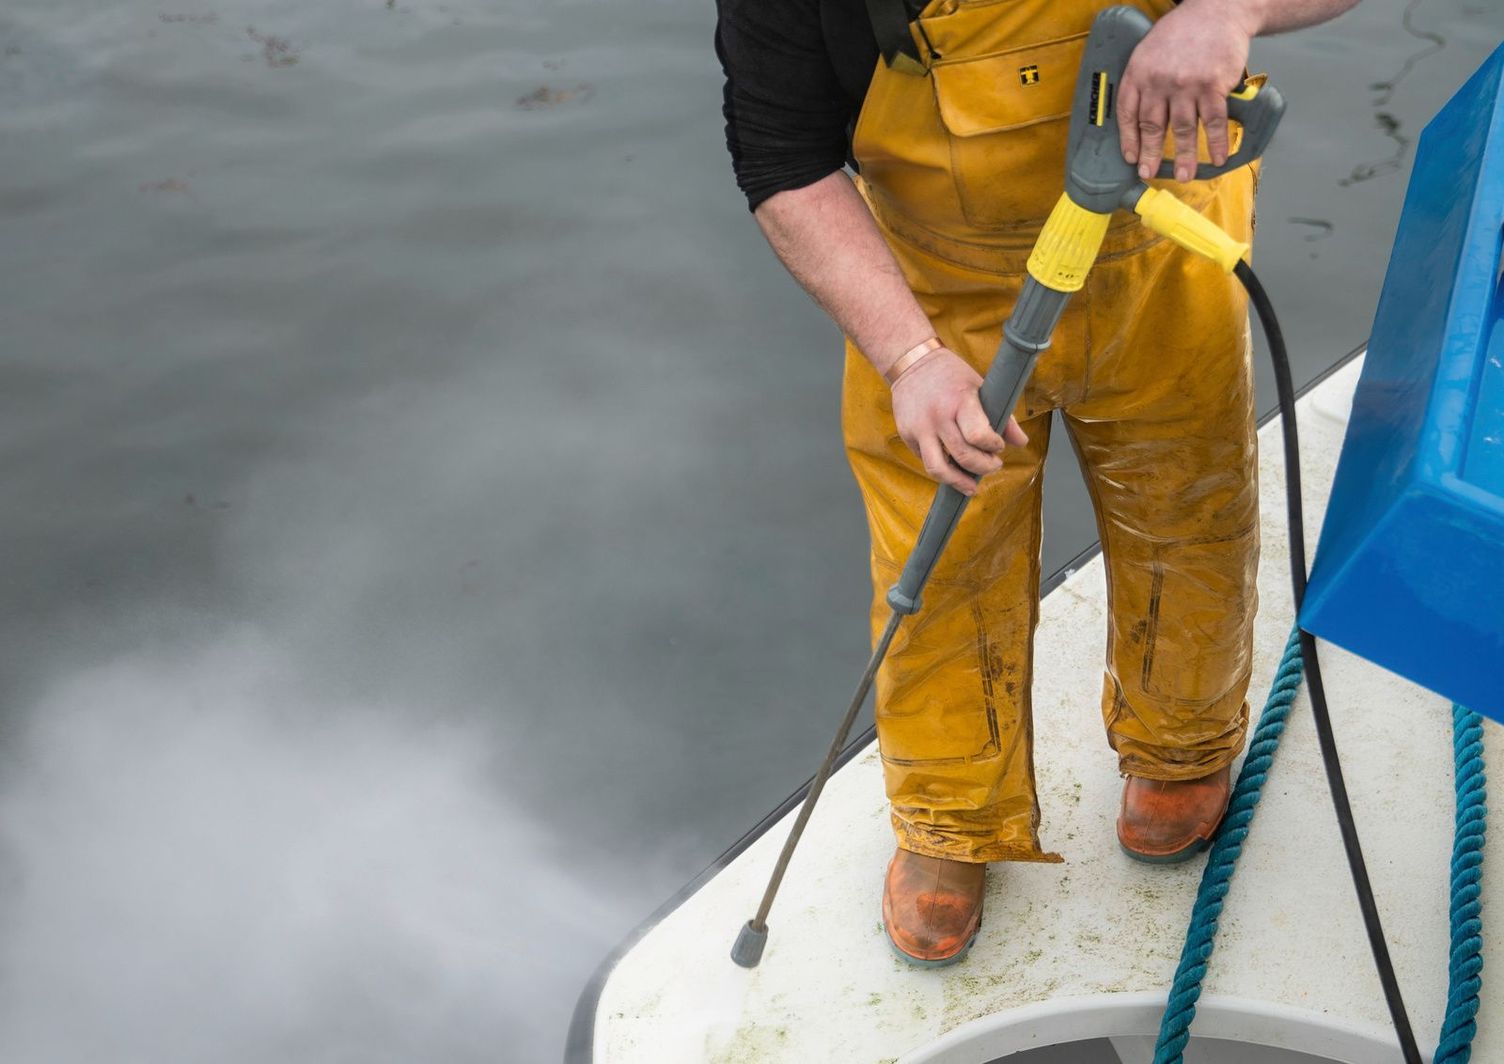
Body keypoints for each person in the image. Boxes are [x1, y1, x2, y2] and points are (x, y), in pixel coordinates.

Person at [715, 0, 1362, 967]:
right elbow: (781, 157)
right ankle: (949, 818)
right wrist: (909, 360)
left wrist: (1231, 13)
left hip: (1164, 248)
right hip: (939, 289)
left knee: (1189, 513)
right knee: (941, 564)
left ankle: (1181, 749)